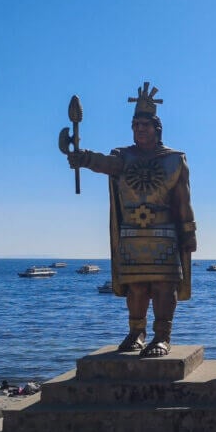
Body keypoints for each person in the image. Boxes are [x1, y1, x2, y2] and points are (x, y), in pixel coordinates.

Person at [67, 83, 197, 357]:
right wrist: (84, 158)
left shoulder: (174, 160)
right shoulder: (122, 157)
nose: (139, 129)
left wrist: (189, 231)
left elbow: (183, 200)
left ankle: (162, 336)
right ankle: (136, 332)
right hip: (132, 235)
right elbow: (104, 163)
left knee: (164, 287)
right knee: (136, 287)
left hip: (164, 234)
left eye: (145, 124)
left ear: (157, 128)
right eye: (135, 124)